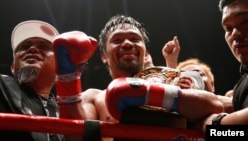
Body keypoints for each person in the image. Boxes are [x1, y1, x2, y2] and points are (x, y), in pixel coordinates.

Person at [54, 14, 224, 141]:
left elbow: (215, 109)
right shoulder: (93, 97)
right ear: (104, 56)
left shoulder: (172, 83)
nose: (127, 44)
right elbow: (74, 138)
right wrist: (68, 78)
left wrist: (156, 94)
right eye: (117, 40)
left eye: (135, 39)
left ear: (145, 53)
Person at [0, 20, 64, 141]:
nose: (32, 49)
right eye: (24, 47)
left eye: (43, 46)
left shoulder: (67, 111)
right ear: (12, 67)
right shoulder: (1, 87)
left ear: (59, 67)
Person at [197, 0, 248, 132]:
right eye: (228, 28)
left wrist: (211, 124)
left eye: (246, 22)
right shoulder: (242, 85)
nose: (235, 34)